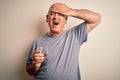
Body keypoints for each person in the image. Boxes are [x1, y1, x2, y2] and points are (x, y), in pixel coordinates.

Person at [26, 2, 101, 80]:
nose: (55, 17)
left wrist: (71, 11)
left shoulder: (75, 35)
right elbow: (29, 71)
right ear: (47, 18)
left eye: (61, 14)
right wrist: (34, 66)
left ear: (66, 20)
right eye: (52, 13)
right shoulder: (38, 42)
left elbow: (97, 18)